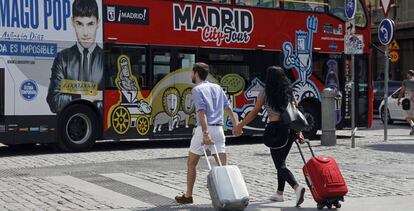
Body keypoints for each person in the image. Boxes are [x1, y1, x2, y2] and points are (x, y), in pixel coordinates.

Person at [234, 66, 306, 207]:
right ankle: (279, 194)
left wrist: (240, 125)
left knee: (279, 164)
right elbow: (295, 113)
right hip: (289, 130)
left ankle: (297, 187)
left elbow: (254, 112)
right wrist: (299, 132)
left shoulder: (265, 92)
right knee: (282, 161)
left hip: (275, 129)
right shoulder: (288, 91)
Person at [175, 62, 239, 204]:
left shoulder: (197, 89)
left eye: (192, 72)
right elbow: (228, 108)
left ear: (196, 73)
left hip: (204, 129)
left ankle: (189, 195)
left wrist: (205, 133)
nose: (191, 75)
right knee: (223, 167)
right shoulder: (217, 87)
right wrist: (236, 126)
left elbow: (201, 113)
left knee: (192, 163)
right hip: (219, 129)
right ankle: (229, 195)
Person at [47, 0, 103, 113]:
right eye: (80, 24)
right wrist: (86, 97)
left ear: (98, 23)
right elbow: (54, 100)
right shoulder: (62, 58)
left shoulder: (106, 59)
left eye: (90, 24)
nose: (86, 33)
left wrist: (72, 98)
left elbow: (113, 102)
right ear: (73, 22)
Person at [397, 69, 414, 135]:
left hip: (408, 100)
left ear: (409, 74)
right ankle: (412, 131)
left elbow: (401, 92)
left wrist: (398, 100)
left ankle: (412, 125)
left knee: (406, 115)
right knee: (412, 116)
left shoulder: (405, 81)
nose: (406, 75)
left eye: (407, 74)